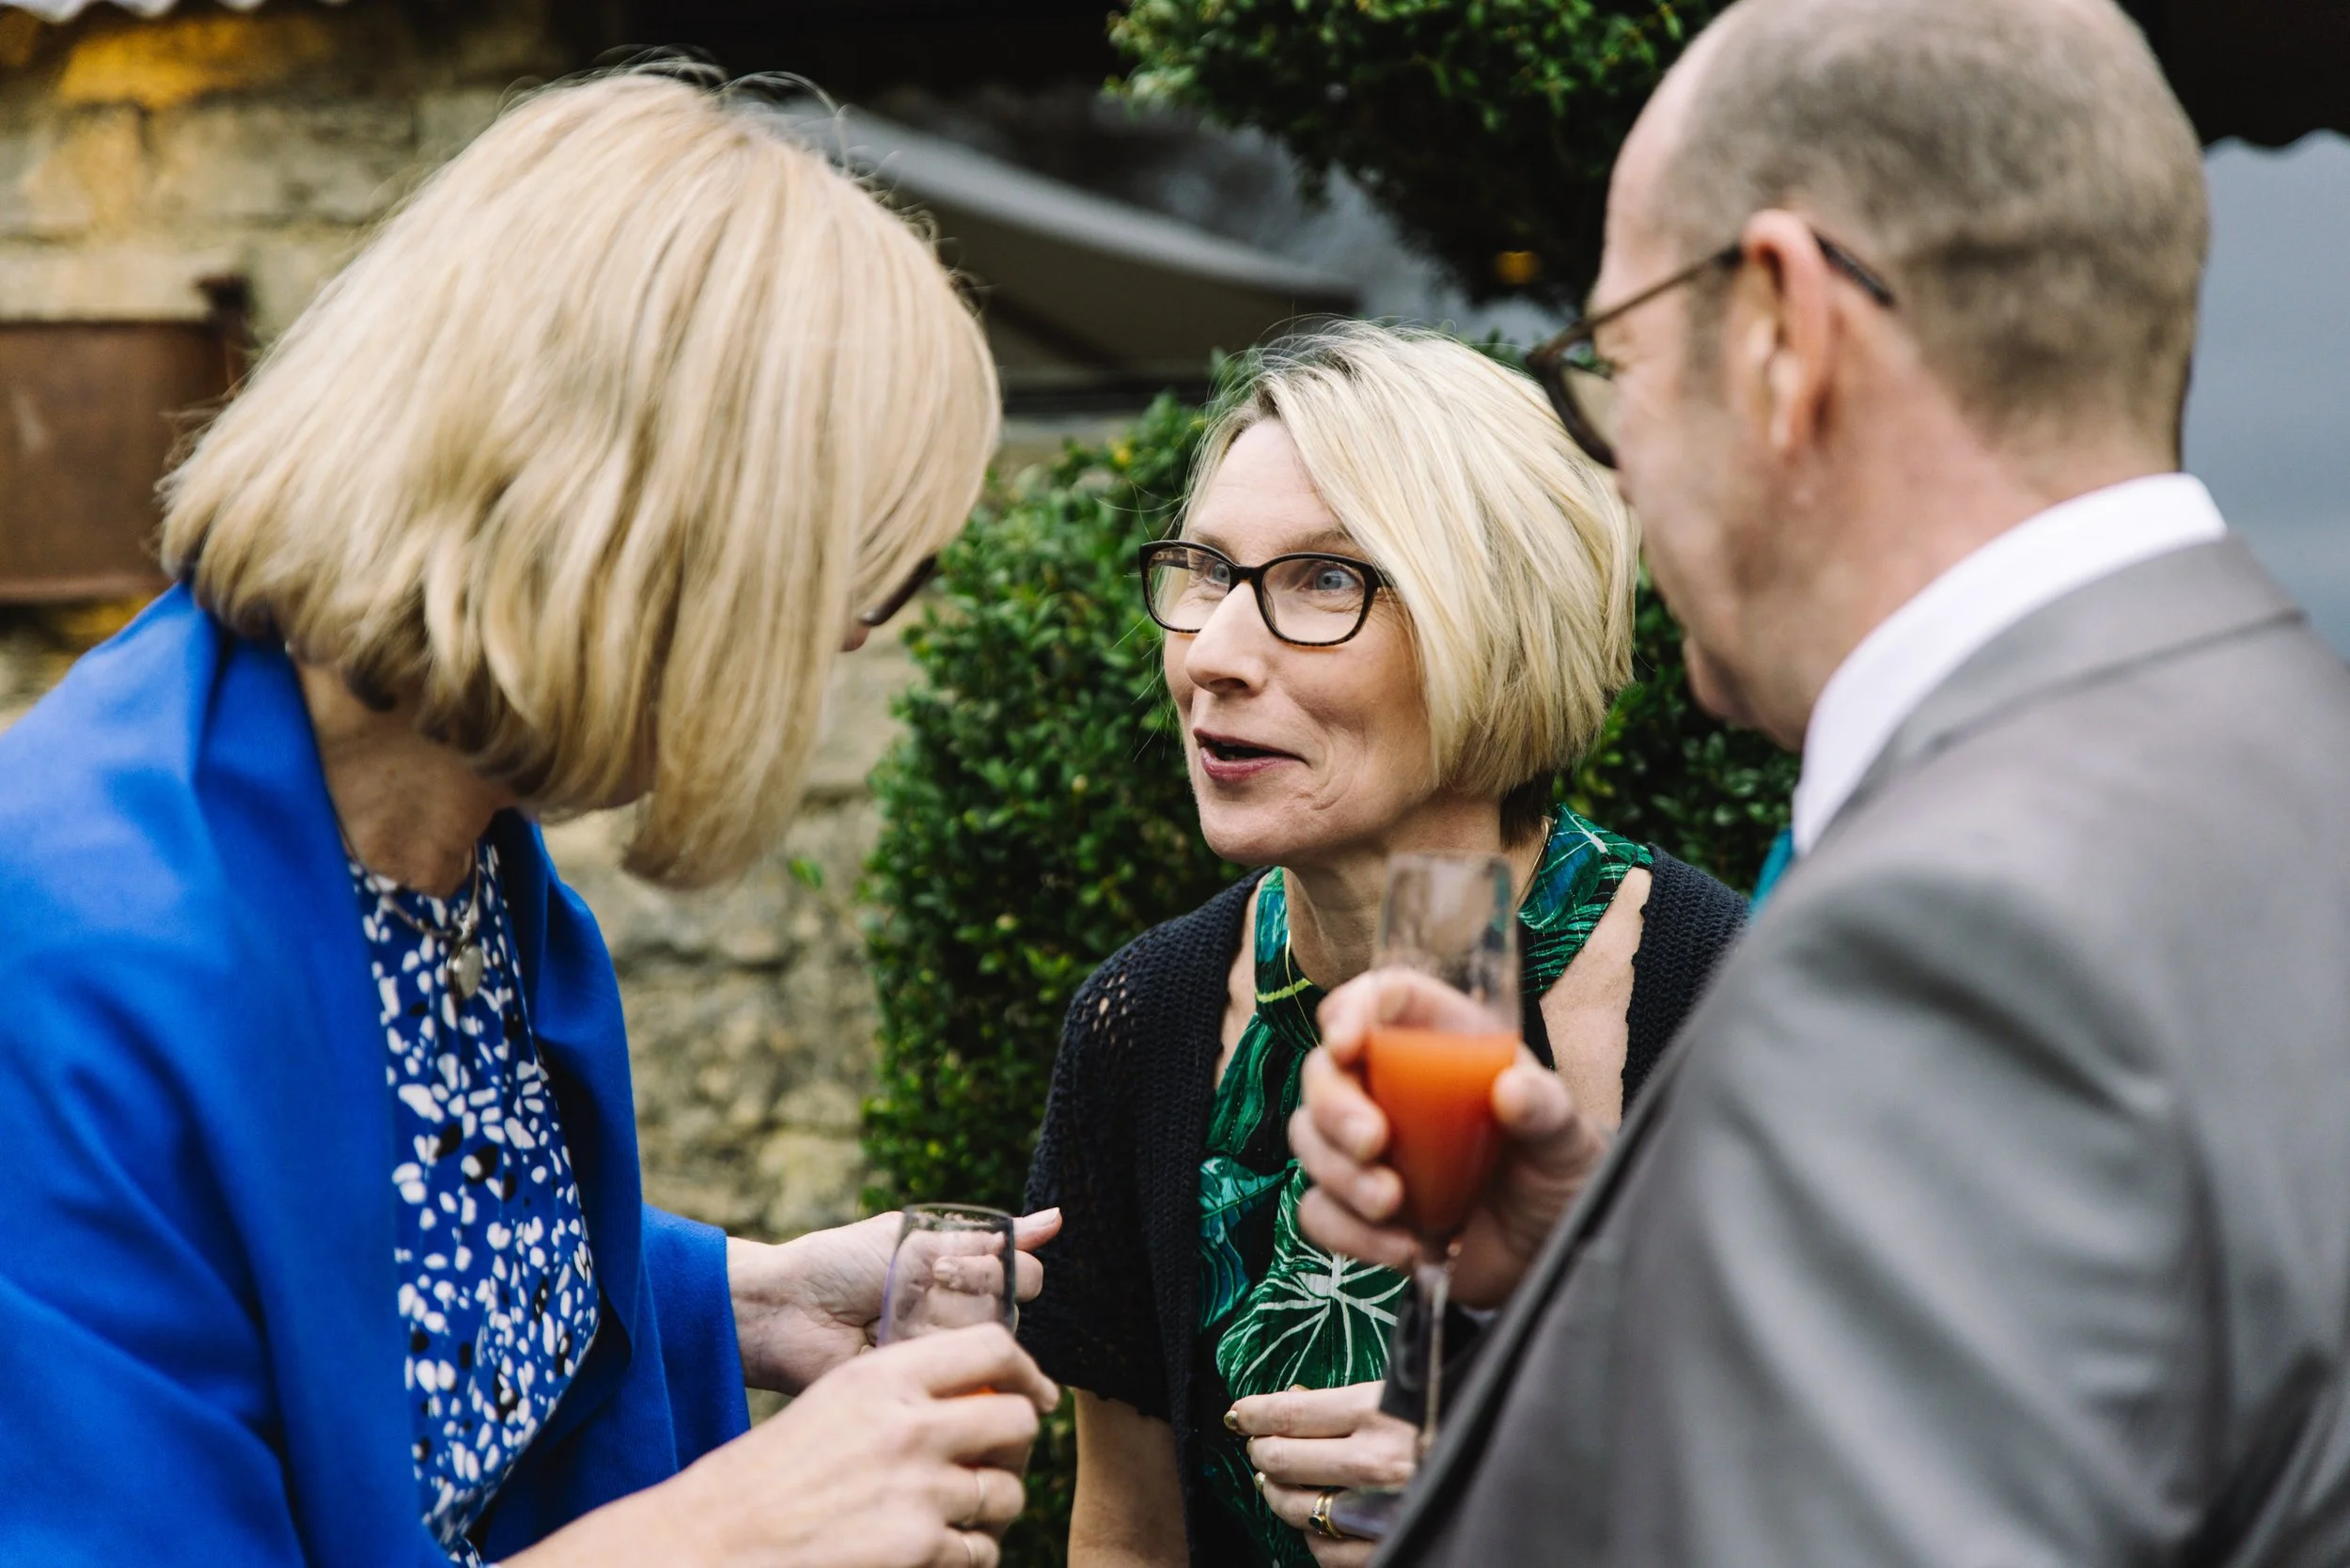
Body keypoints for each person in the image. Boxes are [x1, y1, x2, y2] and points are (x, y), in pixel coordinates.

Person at [1293, 1, 2350, 1563]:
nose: (1617, 464)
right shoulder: (2288, 749)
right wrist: (1612, 1250)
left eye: (1617, 361)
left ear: (1783, 330)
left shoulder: (1950, 935)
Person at [0, 68, 1062, 1568]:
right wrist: (731, 1530)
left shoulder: (449, 855)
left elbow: (374, 1265)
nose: (846, 636)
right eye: (848, 571)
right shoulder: (69, 956)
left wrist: (735, 1301)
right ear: (642, 537)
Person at [1016, 322, 1747, 1568]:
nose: (1214, 656)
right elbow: (1128, 1540)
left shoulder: (1719, 1010)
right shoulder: (1148, 1018)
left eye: (1324, 581)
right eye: (1206, 572)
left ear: (1497, 620)